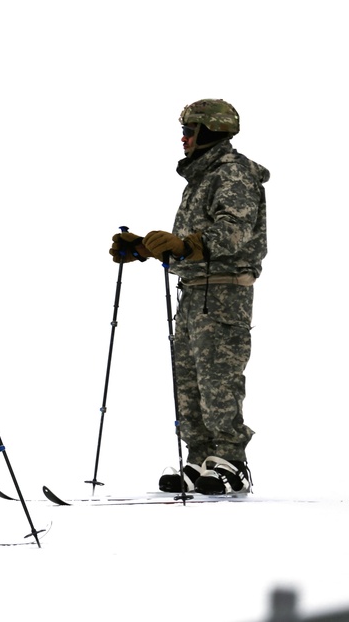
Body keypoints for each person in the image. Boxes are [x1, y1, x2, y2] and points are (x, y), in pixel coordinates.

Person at [109, 99, 269, 495]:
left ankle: (233, 462)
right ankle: (201, 459)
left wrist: (182, 245)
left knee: (218, 380)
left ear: (209, 132)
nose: (183, 138)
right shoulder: (202, 177)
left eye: (190, 131)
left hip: (225, 291)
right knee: (190, 381)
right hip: (195, 292)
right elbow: (190, 243)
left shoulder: (233, 173)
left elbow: (232, 232)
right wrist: (146, 247)